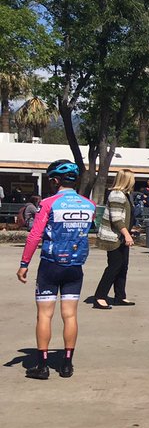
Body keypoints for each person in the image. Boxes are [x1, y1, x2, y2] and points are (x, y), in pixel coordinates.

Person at [16, 161, 96, 379]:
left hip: (50, 265)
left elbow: (35, 235)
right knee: (70, 315)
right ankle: (67, 364)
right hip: (75, 265)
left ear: (54, 181)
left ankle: (42, 367)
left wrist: (24, 264)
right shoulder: (89, 204)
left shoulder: (49, 202)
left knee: (45, 314)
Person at [92, 169, 137, 309]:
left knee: (123, 267)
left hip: (121, 237)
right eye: (132, 178)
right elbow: (116, 218)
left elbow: (124, 216)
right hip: (113, 237)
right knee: (114, 266)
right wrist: (127, 234)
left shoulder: (125, 194)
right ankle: (100, 296)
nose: (134, 180)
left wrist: (130, 229)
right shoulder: (117, 194)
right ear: (126, 180)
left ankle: (120, 296)